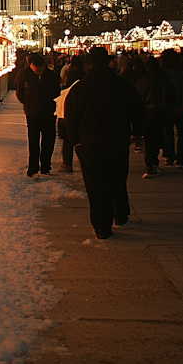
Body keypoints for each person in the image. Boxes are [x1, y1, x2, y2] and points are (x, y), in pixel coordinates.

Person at [65, 46, 145, 240]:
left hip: (90, 142)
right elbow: (138, 111)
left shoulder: (80, 88)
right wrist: (137, 133)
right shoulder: (123, 85)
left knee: (95, 183)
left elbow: (70, 117)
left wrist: (76, 141)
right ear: (110, 62)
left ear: (89, 64)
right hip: (117, 139)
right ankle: (120, 212)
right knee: (117, 177)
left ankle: (101, 225)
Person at [16, 53, 60, 177]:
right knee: (33, 141)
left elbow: (56, 93)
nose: (38, 71)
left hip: (49, 113)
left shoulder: (51, 76)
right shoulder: (24, 74)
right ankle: (33, 168)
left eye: (40, 69)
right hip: (32, 113)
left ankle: (46, 166)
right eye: (36, 68)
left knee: (48, 140)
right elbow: (20, 92)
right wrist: (29, 104)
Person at [136, 57, 176, 178]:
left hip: (147, 113)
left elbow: (138, 97)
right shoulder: (164, 78)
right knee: (158, 138)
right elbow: (171, 94)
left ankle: (150, 163)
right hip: (160, 112)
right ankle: (154, 161)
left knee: (148, 140)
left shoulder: (143, 80)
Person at [161, 48, 183, 169]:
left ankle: (169, 156)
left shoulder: (161, 74)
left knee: (167, 132)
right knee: (182, 133)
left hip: (166, 108)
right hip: (181, 107)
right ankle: (181, 158)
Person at [56, 55, 85, 173]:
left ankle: (67, 164)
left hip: (69, 111)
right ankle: (84, 163)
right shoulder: (84, 78)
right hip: (82, 112)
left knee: (68, 140)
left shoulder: (69, 79)